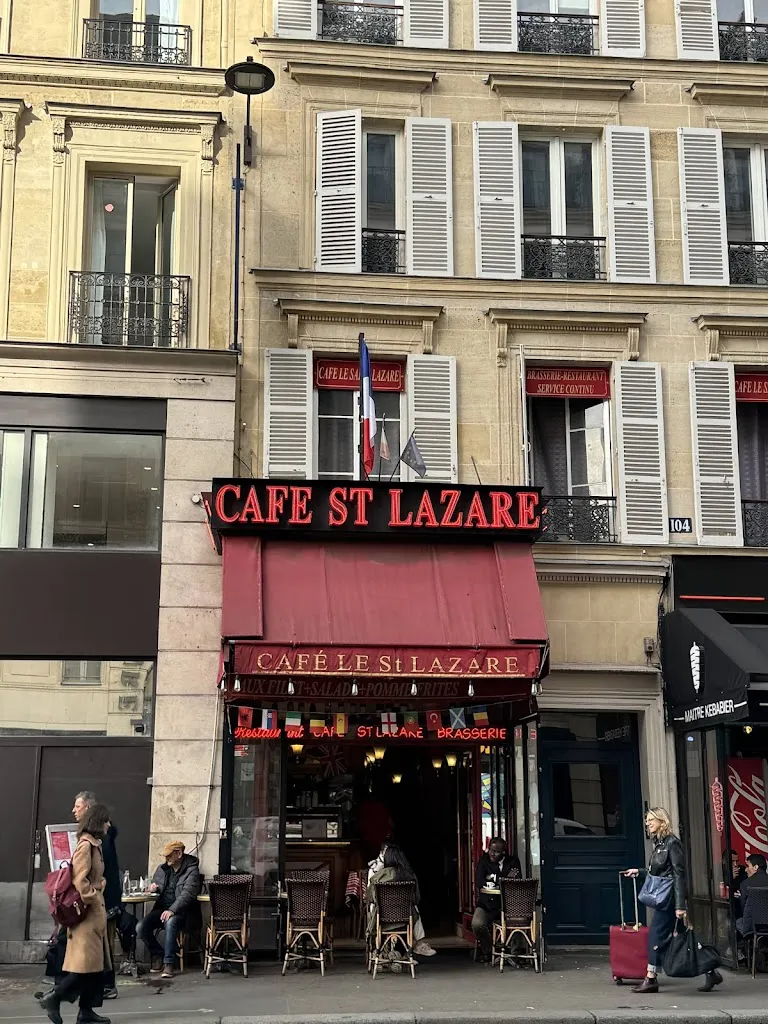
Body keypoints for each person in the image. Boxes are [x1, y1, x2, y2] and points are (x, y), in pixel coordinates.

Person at [623, 806, 722, 994]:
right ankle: (711, 972)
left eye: (651, 819)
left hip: (669, 901)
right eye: (647, 820)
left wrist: (679, 905)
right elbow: (660, 873)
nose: (648, 823)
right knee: (686, 937)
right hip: (666, 899)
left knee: (655, 936)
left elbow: (679, 875)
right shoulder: (659, 844)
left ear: (662, 821)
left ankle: (651, 978)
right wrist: (640, 872)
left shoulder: (672, 843)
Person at [39, 803, 113, 1024]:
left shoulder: (95, 845)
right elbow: (79, 880)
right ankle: (54, 998)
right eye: (106, 820)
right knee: (84, 967)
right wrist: (94, 895)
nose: (109, 824)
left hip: (93, 916)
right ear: (98, 822)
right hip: (86, 916)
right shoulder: (86, 846)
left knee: (94, 967)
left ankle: (86, 1012)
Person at [137, 841, 201, 978]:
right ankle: (158, 954)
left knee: (171, 922)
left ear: (179, 854)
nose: (166, 859)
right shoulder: (163, 869)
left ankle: (169, 963)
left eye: (169, 855)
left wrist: (172, 910)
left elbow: (187, 895)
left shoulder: (192, 871)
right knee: (140, 927)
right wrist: (152, 889)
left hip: (184, 913)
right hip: (162, 909)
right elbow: (156, 885)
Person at [366, 844, 436, 957]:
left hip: (381, 917)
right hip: (405, 917)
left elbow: (370, 898)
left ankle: (380, 951)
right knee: (414, 909)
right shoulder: (409, 875)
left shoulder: (378, 876)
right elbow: (416, 899)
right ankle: (419, 944)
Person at [471, 837, 522, 963]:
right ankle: (488, 951)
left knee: (520, 920)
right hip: (487, 904)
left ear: (503, 852)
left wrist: (494, 879)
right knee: (477, 924)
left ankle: (515, 955)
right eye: (490, 850)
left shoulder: (513, 861)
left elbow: (516, 881)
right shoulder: (484, 861)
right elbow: (479, 881)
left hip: (508, 905)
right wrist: (504, 879)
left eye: (496, 852)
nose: (492, 854)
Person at [736, 853, 768, 940]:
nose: (746, 870)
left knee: (738, 922)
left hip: (754, 928)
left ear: (755, 867)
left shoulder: (745, 884)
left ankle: (751, 948)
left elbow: (743, 908)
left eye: (747, 866)